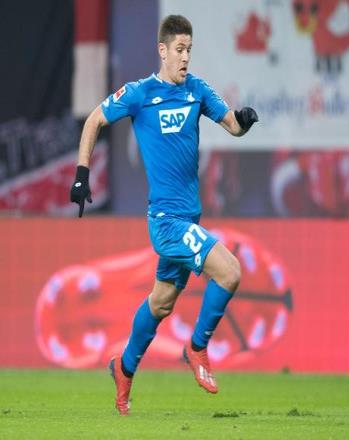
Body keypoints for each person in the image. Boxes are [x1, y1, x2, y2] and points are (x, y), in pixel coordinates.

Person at [69, 15, 258, 415]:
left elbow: (232, 126)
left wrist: (243, 122)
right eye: (179, 50)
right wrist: (82, 174)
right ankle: (197, 348)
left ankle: (123, 368)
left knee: (161, 303)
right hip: (166, 222)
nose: (186, 57)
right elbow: (94, 120)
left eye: (189, 50)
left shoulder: (197, 90)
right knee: (230, 271)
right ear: (163, 50)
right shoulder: (140, 93)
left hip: (189, 219)